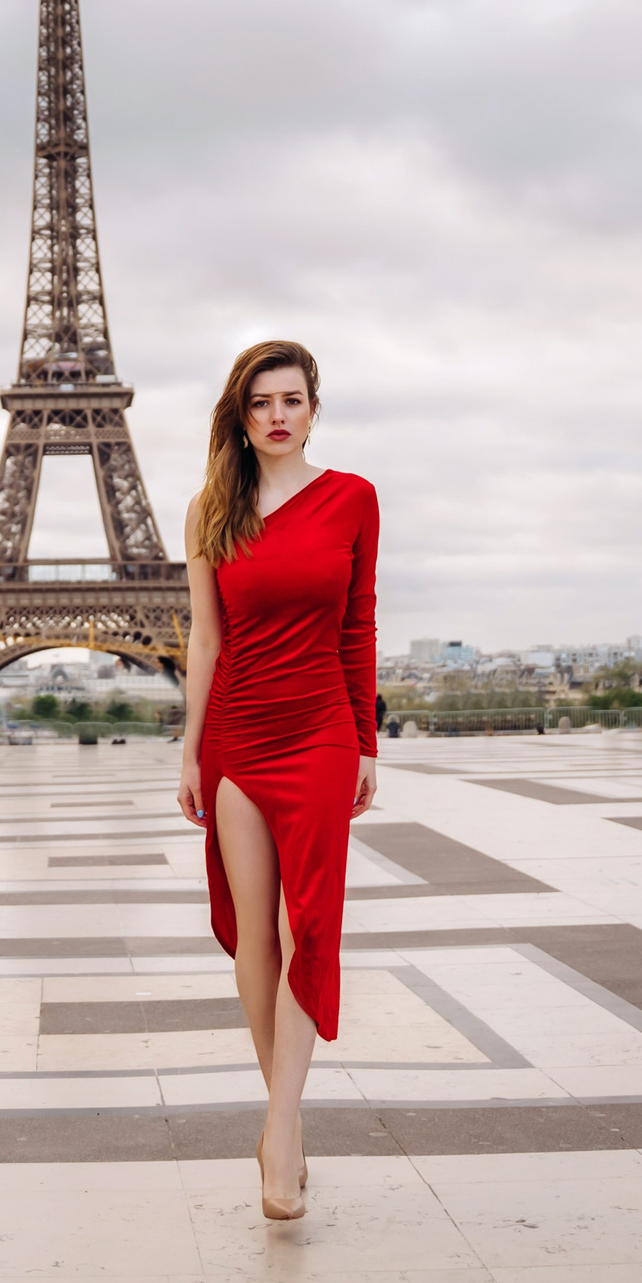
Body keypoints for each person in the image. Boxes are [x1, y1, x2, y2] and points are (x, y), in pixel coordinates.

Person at [175, 340, 378, 1222]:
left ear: (313, 407)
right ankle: (282, 1122)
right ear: (242, 415)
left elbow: (359, 623)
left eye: (292, 399)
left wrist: (367, 740)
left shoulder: (354, 499)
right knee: (254, 935)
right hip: (239, 734)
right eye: (261, 402)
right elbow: (206, 641)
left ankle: (281, 1133)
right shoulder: (212, 511)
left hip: (322, 731)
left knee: (309, 927)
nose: (278, 415)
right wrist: (190, 748)